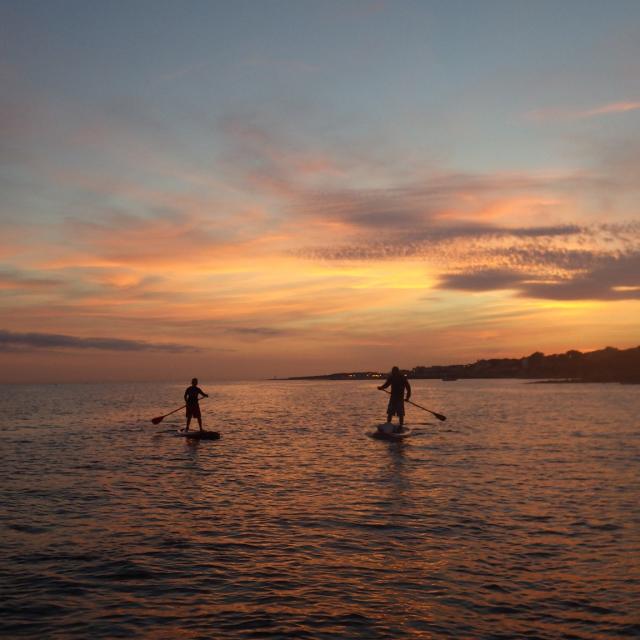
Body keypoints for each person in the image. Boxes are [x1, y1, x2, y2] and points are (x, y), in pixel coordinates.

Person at [378, 366, 411, 432]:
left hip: (399, 399)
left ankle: (401, 426)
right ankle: (388, 425)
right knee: (390, 413)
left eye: (394, 372)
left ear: (397, 371)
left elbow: (408, 389)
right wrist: (381, 387)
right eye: (393, 372)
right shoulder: (391, 378)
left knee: (400, 414)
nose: (393, 373)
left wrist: (407, 397)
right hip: (393, 398)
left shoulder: (402, 378)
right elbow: (386, 385)